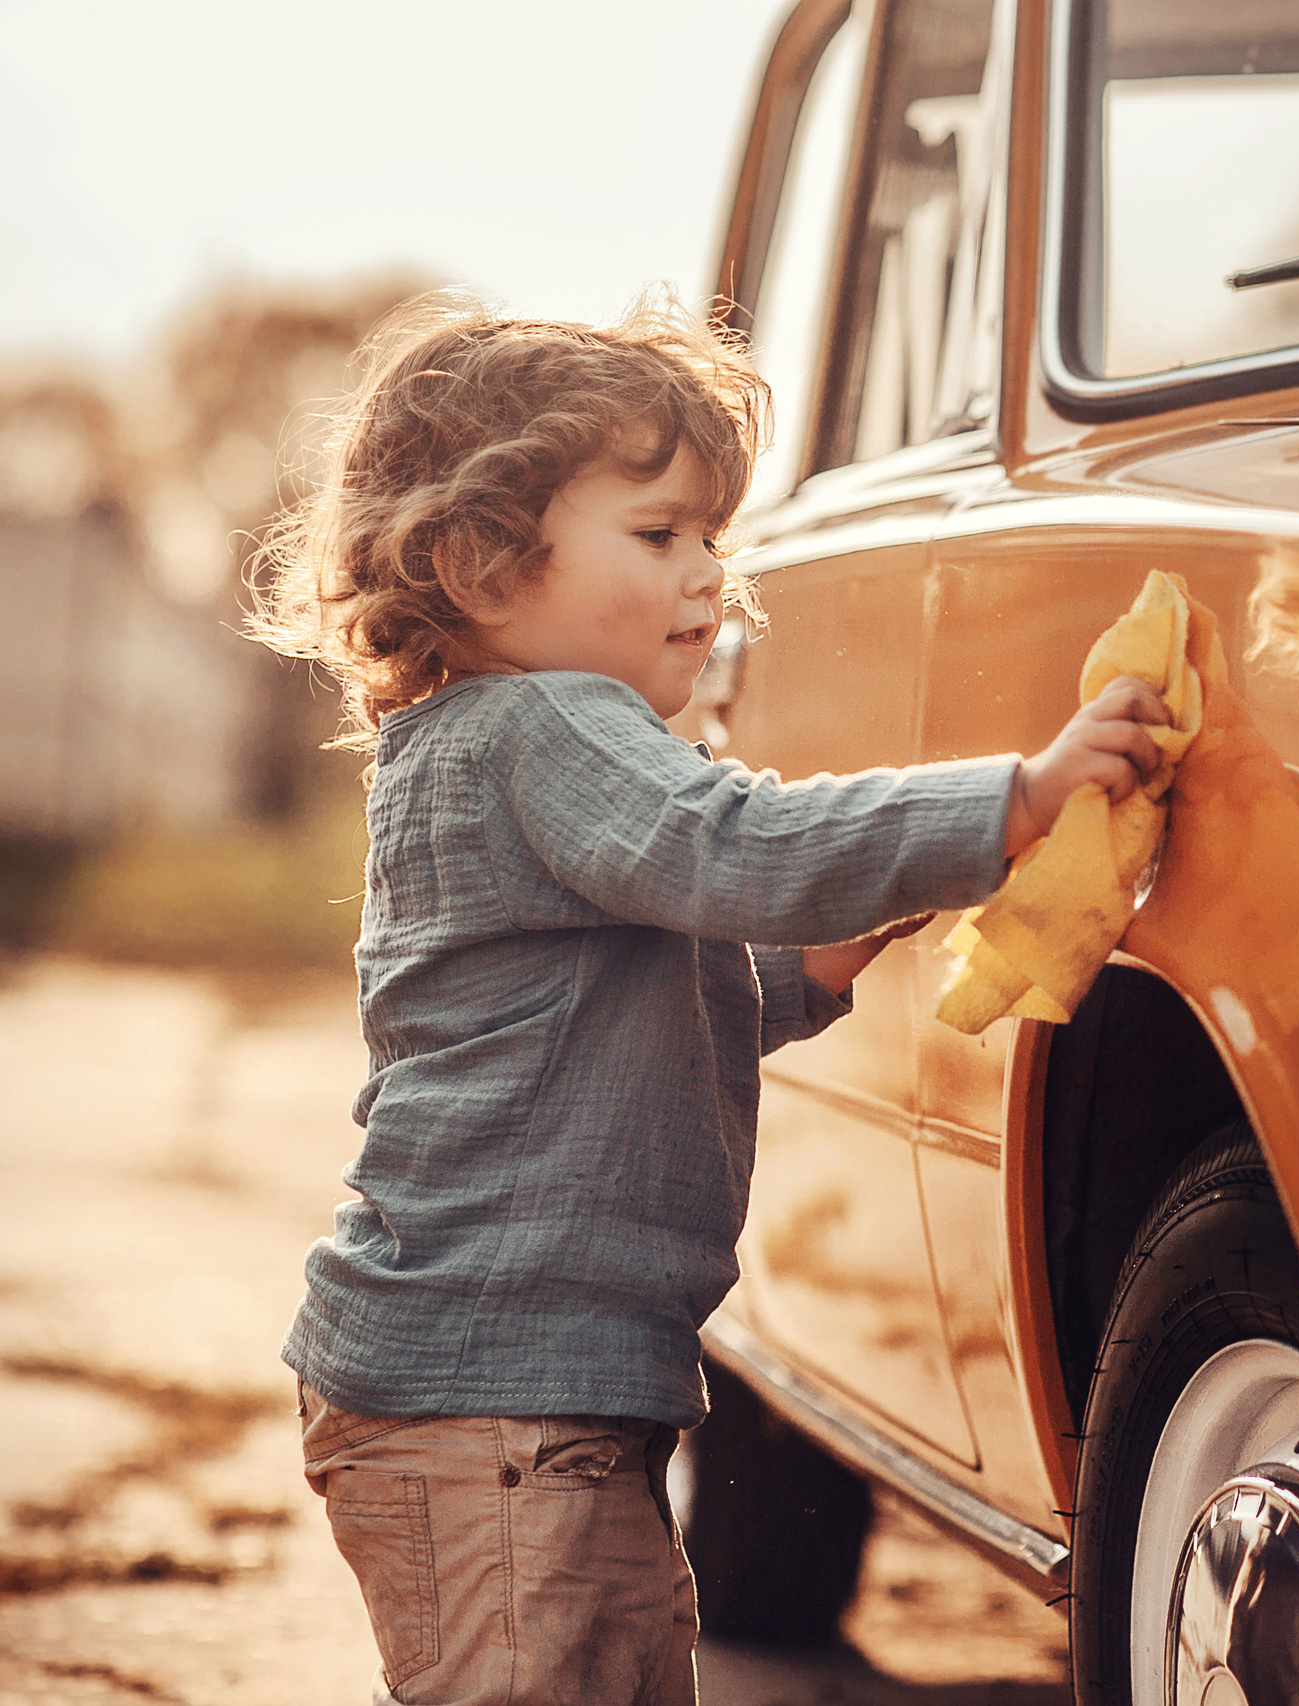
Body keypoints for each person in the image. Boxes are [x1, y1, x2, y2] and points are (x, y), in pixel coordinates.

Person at [249, 293, 1168, 1706]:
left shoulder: (496, 740)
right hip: (492, 1399)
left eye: (712, 539)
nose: (707, 581)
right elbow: (735, 845)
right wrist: (1021, 795)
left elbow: (627, 1006)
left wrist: (816, 966)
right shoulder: (544, 723)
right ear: (481, 564)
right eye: (658, 533)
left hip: (536, 1390)